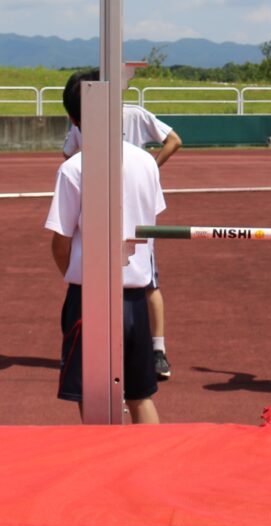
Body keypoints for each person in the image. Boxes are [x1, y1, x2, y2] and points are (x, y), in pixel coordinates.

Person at [45, 69, 166, 423]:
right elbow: (153, 215)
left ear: (72, 117)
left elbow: (60, 241)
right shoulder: (146, 161)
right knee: (142, 397)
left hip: (91, 297)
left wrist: (77, 278)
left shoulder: (74, 169)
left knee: (94, 400)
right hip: (135, 297)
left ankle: (108, 475)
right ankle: (159, 473)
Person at [63, 91, 181, 382]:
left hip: (132, 207)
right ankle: (113, 350)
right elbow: (69, 155)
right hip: (101, 207)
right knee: (109, 284)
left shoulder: (136, 114)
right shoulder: (82, 126)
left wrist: (150, 166)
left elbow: (174, 140)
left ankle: (157, 349)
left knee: (145, 282)